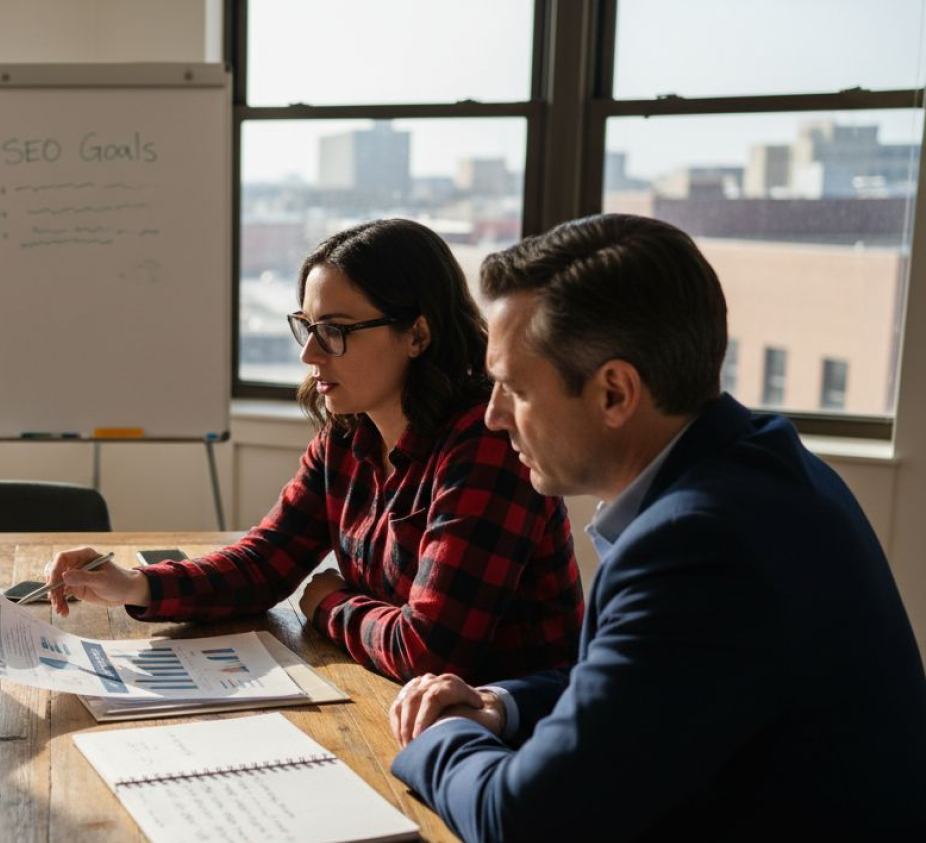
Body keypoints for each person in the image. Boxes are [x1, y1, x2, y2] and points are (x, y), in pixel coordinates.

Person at [388, 213, 926, 843]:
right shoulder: (764, 467)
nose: (493, 417)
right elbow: (654, 684)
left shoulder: (699, 544)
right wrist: (500, 707)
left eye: (516, 389)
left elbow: (525, 830)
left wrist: (439, 737)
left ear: (615, 392)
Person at [41, 218, 583, 684]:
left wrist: (327, 602)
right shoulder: (347, 435)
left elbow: (429, 653)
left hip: (507, 727)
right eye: (306, 326)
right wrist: (135, 585)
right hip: (393, 701)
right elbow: (265, 563)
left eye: (335, 331)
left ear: (417, 334)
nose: (309, 354)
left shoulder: (489, 444)